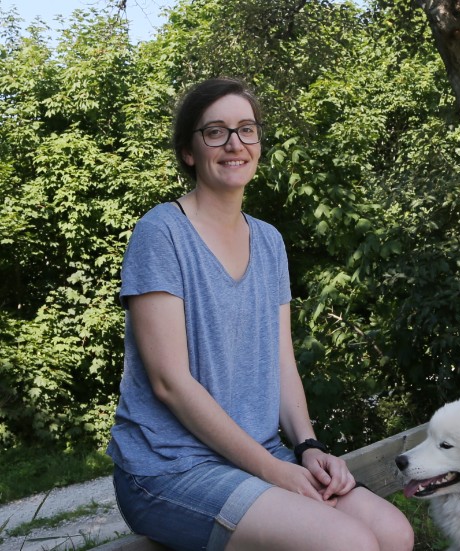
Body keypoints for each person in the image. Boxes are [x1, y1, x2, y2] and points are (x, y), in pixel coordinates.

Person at [107, 77, 414, 551]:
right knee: (347, 544)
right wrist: (274, 472)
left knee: (395, 534)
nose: (234, 144)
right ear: (189, 151)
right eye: (215, 132)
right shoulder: (161, 234)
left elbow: (281, 363)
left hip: (260, 455)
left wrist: (308, 447)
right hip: (170, 468)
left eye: (246, 130)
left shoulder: (268, 241)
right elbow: (170, 382)